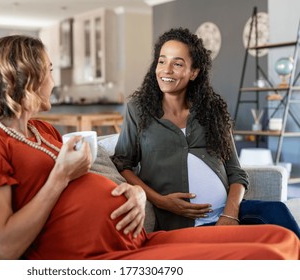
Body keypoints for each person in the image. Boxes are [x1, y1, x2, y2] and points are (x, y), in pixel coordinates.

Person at [0, 34, 300, 260]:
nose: (53, 79)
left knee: (280, 238)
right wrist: (60, 176)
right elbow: (3, 249)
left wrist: (136, 195)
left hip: (137, 240)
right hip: (101, 256)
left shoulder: (42, 130)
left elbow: (96, 183)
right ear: (26, 76)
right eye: (47, 70)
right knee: (266, 257)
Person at [111, 27, 300, 237]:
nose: (166, 70)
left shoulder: (212, 111)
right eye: (162, 61)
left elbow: (236, 172)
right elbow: (123, 164)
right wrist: (160, 201)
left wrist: (230, 215)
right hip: (184, 226)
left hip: (228, 216)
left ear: (194, 72)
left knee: (277, 213)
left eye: (178, 63)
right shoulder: (137, 110)